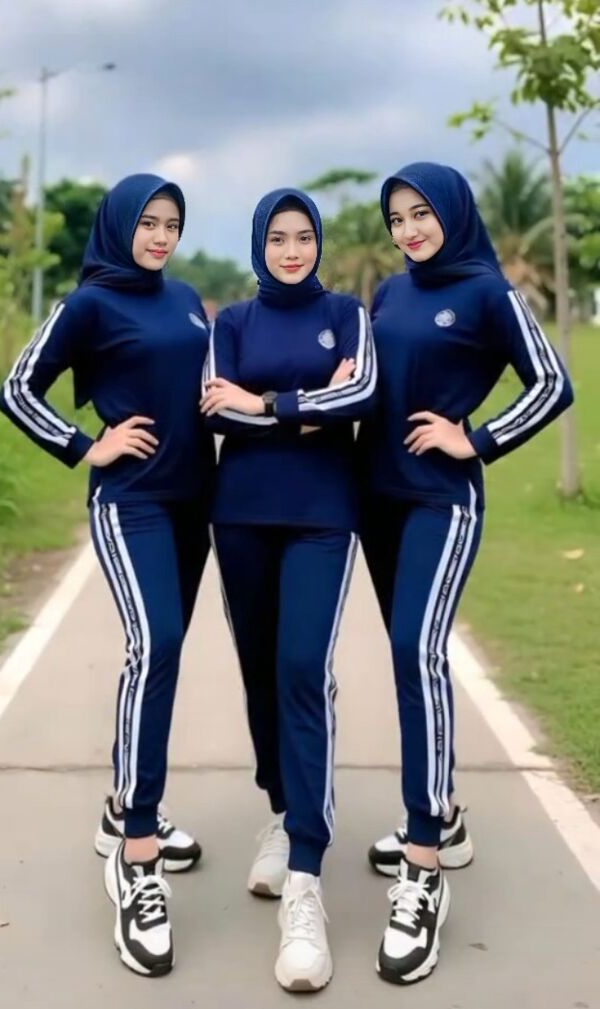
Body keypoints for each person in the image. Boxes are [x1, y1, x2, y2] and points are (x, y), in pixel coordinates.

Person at [357, 162, 573, 986]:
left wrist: (474, 438)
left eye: (421, 213)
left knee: (417, 652)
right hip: (376, 500)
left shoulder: (489, 292)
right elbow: (366, 382)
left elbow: (552, 382)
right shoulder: (388, 293)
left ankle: (424, 864)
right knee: (409, 659)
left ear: (452, 211)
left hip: (442, 500)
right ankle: (442, 813)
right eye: (396, 218)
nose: (409, 229)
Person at [0, 174, 216, 978]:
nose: (160, 236)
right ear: (120, 224)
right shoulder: (88, 304)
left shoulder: (186, 299)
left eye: (172, 224)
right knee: (154, 646)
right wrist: (88, 445)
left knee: (164, 656)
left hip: (196, 504)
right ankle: (137, 850)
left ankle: (125, 802)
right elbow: (17, 389)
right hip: (132, 503)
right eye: (148, 222)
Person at [200, 187, 376, 992]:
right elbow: (215, 412)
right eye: (278, 237)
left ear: (319, 243)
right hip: (240, 514)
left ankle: (306, 870)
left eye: (304, 236)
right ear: (258, 245)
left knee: (303, 668)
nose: (293, 249)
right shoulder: (232, 323)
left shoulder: (348, 314)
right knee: (260, 674)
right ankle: (281, 808)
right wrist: (310, 410)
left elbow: (361, 396)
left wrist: (266, 402)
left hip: (321, 515)